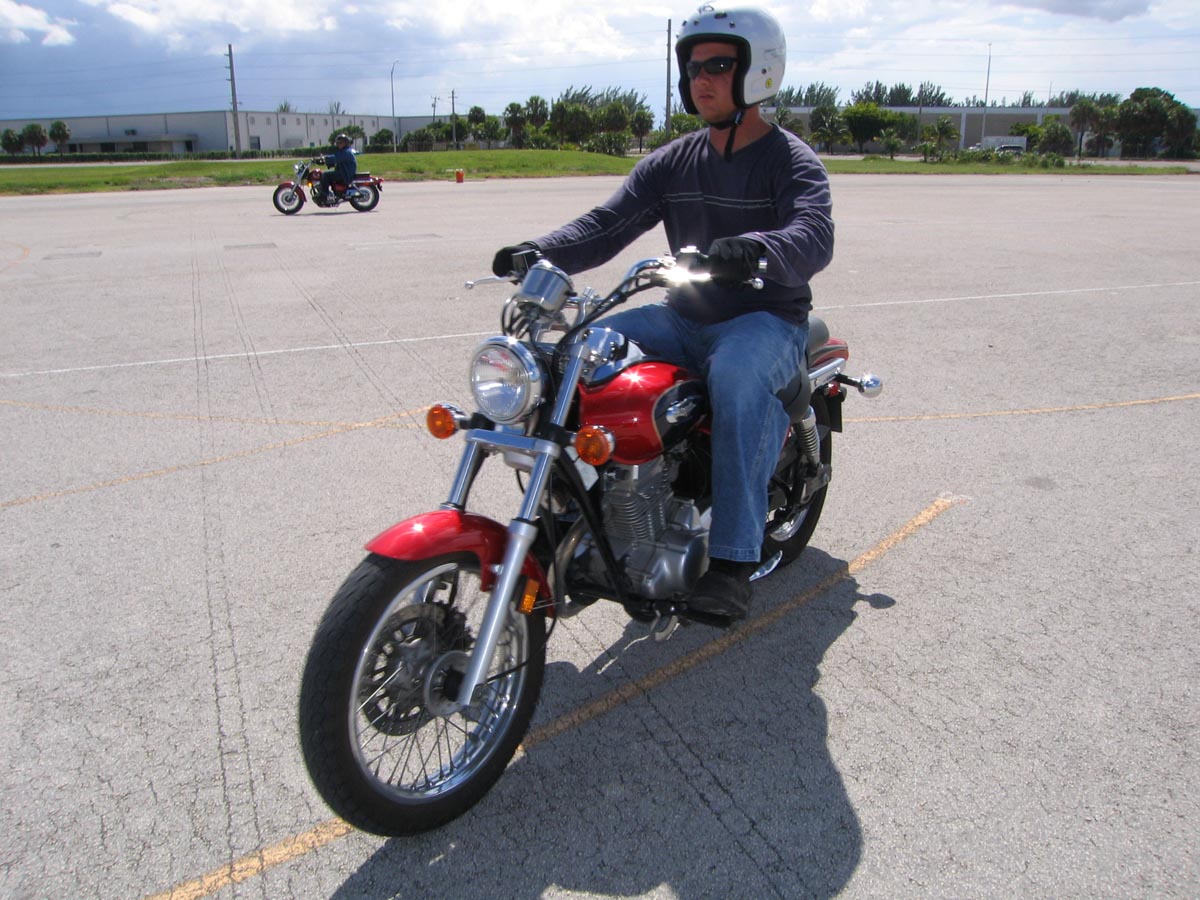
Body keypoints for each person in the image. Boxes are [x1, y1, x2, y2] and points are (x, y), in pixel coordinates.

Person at [492, 5, 834, 621]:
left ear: (758, 71)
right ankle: (572, 518)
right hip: (681, 317)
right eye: (693, 67)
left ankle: (731, 561)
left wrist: (757, 250)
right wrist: (539, 251)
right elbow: (608, 223)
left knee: (738, 378)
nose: (702, 79)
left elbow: (814, 234)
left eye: (718, 66)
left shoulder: (790, 159)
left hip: (763, 319)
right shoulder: (675, 160)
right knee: (571, 352)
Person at [314, 133, 357, 205]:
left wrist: (324, 158)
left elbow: (335, 158)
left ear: (345, 143)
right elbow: (337, 159)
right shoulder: (344, 151)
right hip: (343, 172)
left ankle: (325, 195)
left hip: (345, 174)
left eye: (341, 143)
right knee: (327, 174)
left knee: (325, 175)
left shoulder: (346, 152)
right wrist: (325, 162)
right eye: (338, 143)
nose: (339, 144)